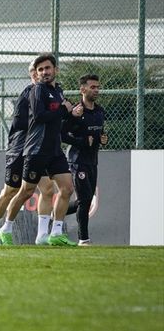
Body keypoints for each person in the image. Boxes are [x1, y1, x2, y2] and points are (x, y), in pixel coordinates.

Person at [0, 53, 78, 246]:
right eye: (40, 69)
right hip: (36, 149)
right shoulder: (37, 90)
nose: (44, 72)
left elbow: (58, 117)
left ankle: (55, 233)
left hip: (54, 150)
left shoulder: (58, 91)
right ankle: (5, 228)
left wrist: (71, 113)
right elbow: (40, 116)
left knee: (67, 188)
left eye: (47, 68)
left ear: (55, 70)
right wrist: (63, 110)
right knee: (26, 191)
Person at [0, 64, 60, 245]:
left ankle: (42, 235)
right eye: (35, 71)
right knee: (11, 190)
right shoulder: (29, 93)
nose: (38, 74)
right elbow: (20, 122)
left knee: (47, 189)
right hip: (20, 148)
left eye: (42, 70)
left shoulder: (52, 92)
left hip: (39, 149)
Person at [62, 74, 106, 246]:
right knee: (84, 199)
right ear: (82, 89)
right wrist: (81, 141)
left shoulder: (100, 111)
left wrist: (102, 139)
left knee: (85, 201)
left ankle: (56, 213)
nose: (96, 90)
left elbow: (99, 132)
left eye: (98, 87)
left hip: (93, 160)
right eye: (92, 87)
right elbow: (62, 134)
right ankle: (84, 239)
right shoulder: (76, 111)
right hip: (77, 160)